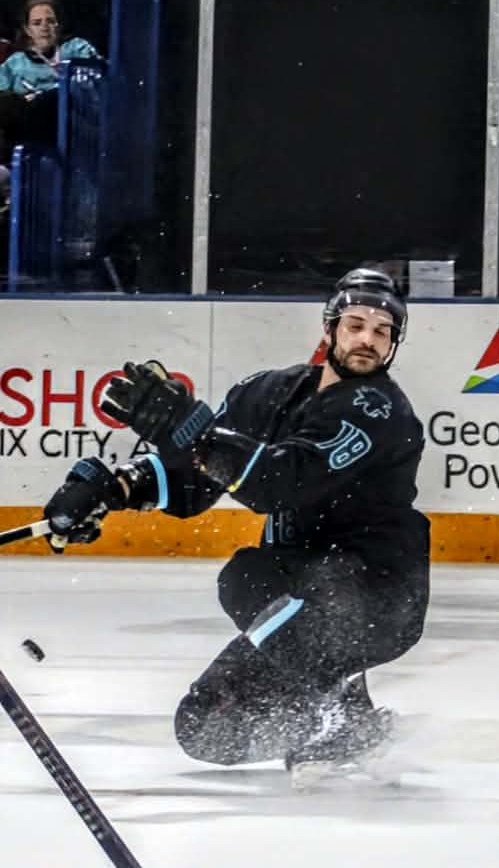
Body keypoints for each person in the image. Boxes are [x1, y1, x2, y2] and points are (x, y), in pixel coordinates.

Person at [41, 269, 430, 788]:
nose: (368, 339)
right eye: (356, 324)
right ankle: (344, 715)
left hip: (378, 598)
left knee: (247, 576)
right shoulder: (269, 393)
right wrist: (116, 488)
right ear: (330, 328)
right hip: (305, 601)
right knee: (207, 725)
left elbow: (280, 484)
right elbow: (192, 484)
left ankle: (340, 718)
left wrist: (195, 435)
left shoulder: (379, 411)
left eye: (382, 331)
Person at [0, 0, 99, 97]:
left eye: (50, 21)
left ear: (59, 25)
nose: (44, 28)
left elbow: (98, 79)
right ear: (27, 30)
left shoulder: (77, 49)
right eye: (37, 23)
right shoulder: (15, 63)